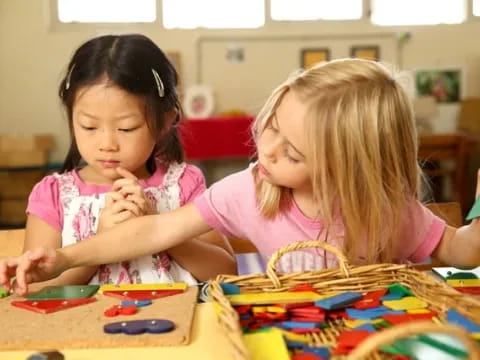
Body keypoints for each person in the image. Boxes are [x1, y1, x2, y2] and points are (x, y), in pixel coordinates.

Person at [2, 58, 480, 295]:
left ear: (349, 167)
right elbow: (149, 231)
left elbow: (460, 250)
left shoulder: (385, 209)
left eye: (291, 151)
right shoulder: (251, 189)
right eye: (270, 125)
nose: (265, 150)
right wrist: (63, 258)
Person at [7, 34, 236, 292]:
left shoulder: (183, 184)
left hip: (177, 326)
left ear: (165, 121)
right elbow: (31, 290)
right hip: (82, 330)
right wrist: (101, 243)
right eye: (89, 126)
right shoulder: (53, 194)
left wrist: (157, 228)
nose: (107, 144)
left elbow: (225, 271)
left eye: (126, 128)